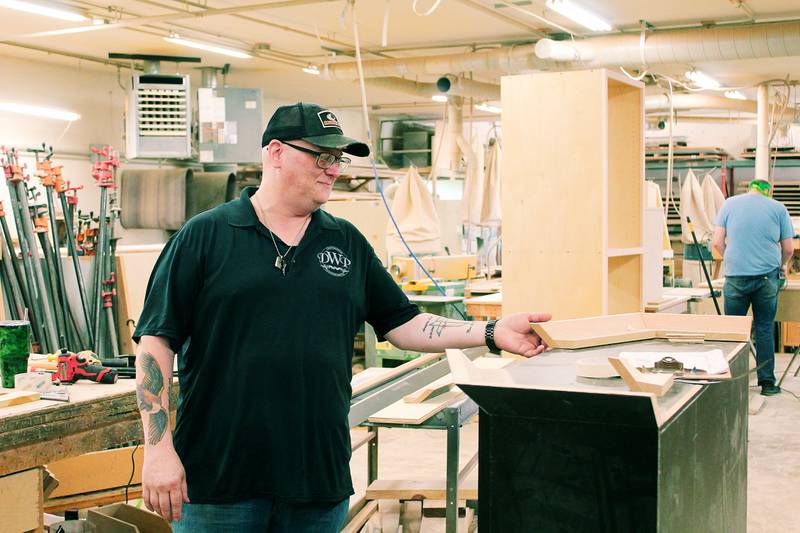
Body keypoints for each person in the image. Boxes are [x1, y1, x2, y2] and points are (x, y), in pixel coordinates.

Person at [133, 102, 551, 531]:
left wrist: (491, 331)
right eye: (322, 156)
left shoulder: (345, 241)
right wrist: (158, 450)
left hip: (317, 481)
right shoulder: (205, 235)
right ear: (275, 153)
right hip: (219, 482)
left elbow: (402, 323)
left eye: (338, 159)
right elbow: (155, 341)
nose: (333, 169)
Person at [713, 178, 794, 396]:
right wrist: (782, 266)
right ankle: (767, 383)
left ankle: (731, 383)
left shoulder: (729, 204)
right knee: (764, 328)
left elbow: (717, 242)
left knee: (734, 330)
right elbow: (788, 249)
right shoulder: (778, 208)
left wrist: (732, 260)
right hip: (767, 277)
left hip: (735, 277)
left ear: (748, 189)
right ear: (770, 191)